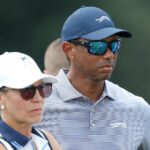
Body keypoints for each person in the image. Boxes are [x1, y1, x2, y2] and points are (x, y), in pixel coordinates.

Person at [36, 6, 150, 150]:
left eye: (114, 46)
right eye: (98, 46)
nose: (110, 55)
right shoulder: (38, 103)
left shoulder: (137, 108)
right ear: (69, 50)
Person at [0, 52, 62, 150]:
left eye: (42, 88)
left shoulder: (45, 138)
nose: (38, 98)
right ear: (1, 98)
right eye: (26, 90)